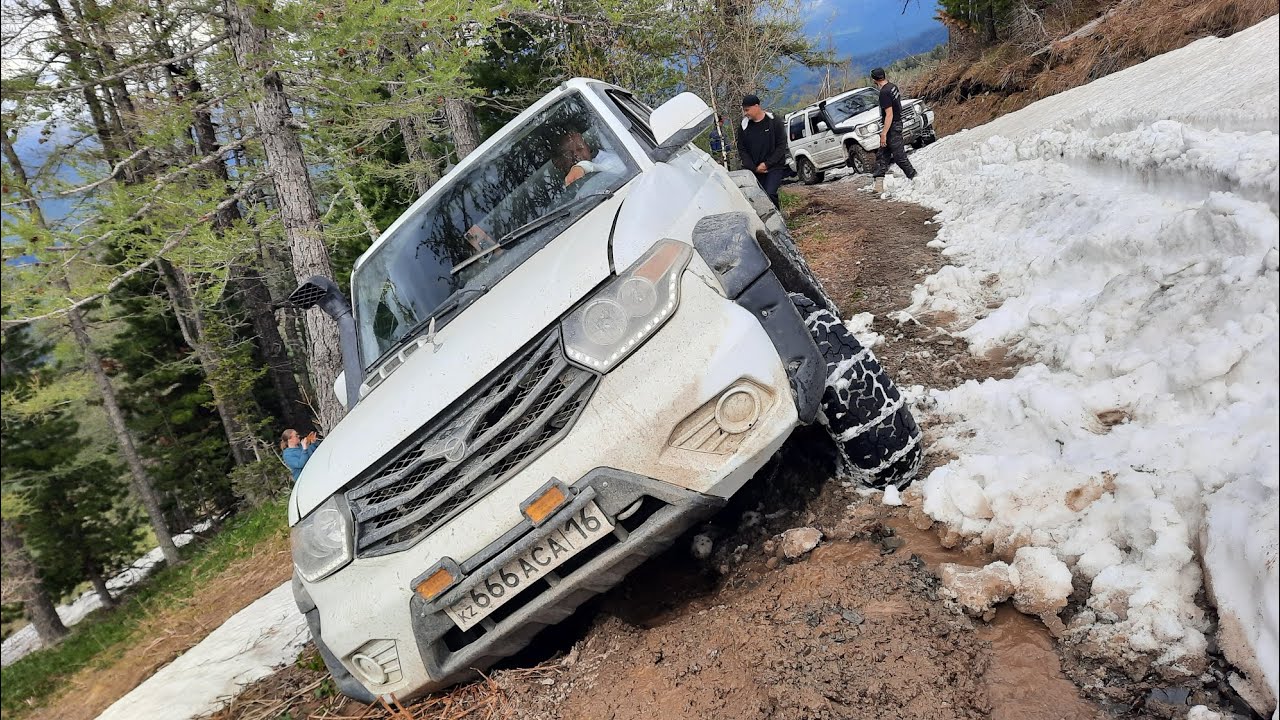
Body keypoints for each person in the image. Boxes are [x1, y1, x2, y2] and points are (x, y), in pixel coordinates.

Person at [736, 94, 789, 208]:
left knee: (770, 193)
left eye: (747, 110)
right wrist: (754, 167)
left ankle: (777, 220)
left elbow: (781, 145)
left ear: (756, 106)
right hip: (755, 169)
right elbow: (742, 149)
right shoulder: (744, 126)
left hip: (774, 167)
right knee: (758, 198)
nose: (745, 113)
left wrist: (767, 164)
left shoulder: (774, 121)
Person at [870, 67, 917, 194]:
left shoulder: (884, 93)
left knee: (899, 156)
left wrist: (884, 133)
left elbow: (889, 114)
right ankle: (878, 185)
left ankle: (915, 178)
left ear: (874, 79)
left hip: (892, 127)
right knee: (882, 155)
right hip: (896, 123)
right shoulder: (892, 87)